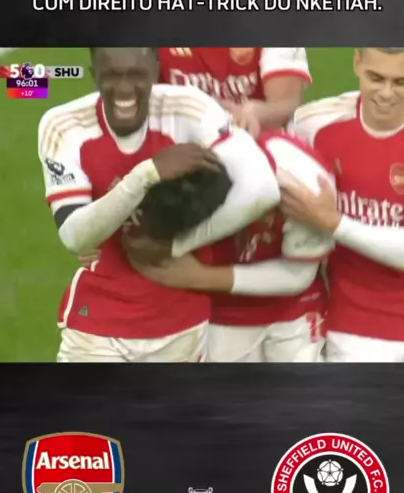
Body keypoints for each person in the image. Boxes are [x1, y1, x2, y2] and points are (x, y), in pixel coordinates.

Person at [37, 47, 280, 363]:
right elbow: (75, 237)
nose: (124, 89)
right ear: (94, 74)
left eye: (136, 75)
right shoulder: (62, 125)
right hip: (98, 320)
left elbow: (263, 189)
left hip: (181, 321)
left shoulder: (188, 108)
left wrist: (175, 245)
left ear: (155, 71)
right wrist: (147, 174)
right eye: (112, 75)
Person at [280, 47, 404, 362]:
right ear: (357, 63)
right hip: (351, 324)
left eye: (401, 81)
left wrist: (333, 223)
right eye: (375, 78)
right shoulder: (312, 122)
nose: (386, 93)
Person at [124, 131, 336, 362]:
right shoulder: (195, 160)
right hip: (224, 314)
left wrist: (198, 276)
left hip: (294, 313)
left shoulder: (308, 191)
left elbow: (298, 276)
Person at [158, 47, 311, 136]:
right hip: (179, 135)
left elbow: (286, 103)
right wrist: (213, 111)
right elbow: (149, 97)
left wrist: (255, 114)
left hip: (252, 141)